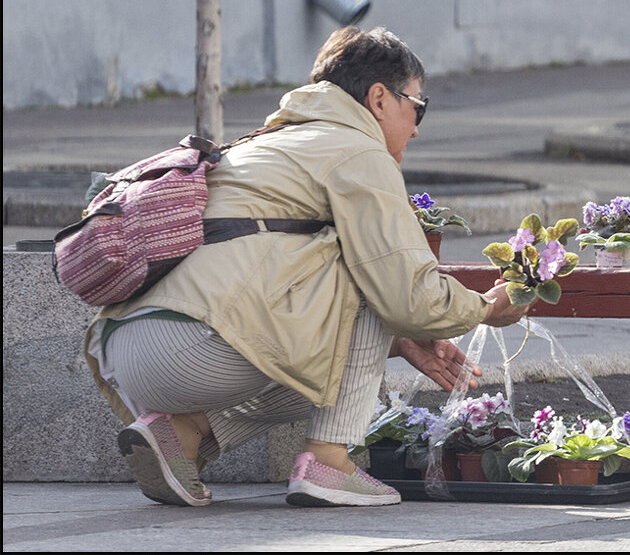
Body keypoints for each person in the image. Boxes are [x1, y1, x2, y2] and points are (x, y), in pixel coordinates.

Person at [84, 26, 530, 508]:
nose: (417, 126)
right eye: (417, 106)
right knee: (372, 273)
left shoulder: (261, 143)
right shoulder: (358, 149)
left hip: (123, 350)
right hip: (198, 347)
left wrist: (396, 343)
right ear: (379, 98)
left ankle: (181, 434)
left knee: (330, 355)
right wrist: (484, 308)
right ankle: (328, 463)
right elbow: (404, 291)